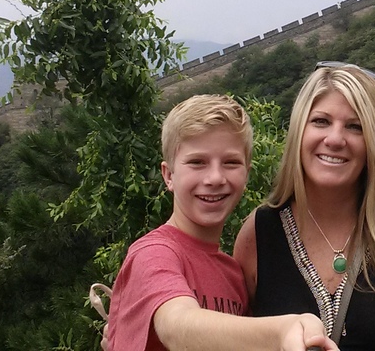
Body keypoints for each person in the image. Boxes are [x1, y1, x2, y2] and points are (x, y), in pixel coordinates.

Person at [234, 62, 375, 351]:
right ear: (299, 130)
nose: (334, 139)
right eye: (321, 121)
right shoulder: (259, 234)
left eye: (355, 127)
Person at [103, 94, 337, 351]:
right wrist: (283, 329)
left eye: (230, 163)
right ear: (168, 175)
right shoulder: (152, 254)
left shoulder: (233, 274)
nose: (215, 178)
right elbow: (176, 326)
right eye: (197, 162)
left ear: (246, 175)